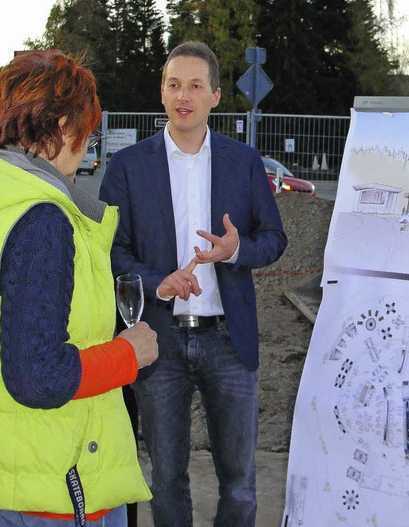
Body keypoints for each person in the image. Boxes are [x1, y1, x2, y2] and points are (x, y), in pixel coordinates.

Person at [99, 41, 287, 527]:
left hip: (228, 339)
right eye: (174, 84)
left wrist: (236, 250)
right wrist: (159, 281)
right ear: (161, 93)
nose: (184, 95)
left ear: (216, 96)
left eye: (195, 86)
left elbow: (274, 239)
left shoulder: (243, 161)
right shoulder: (127, 167)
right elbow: (113, 251)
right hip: (157, 342)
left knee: (240, 483)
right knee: (165, 481)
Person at [0, 50, 158, 526]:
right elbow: (37, 375)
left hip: (10, 475)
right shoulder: (40, 219)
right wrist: (128, 354)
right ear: (61, 127)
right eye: (87, 130)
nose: (88, 144)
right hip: (56, 487)